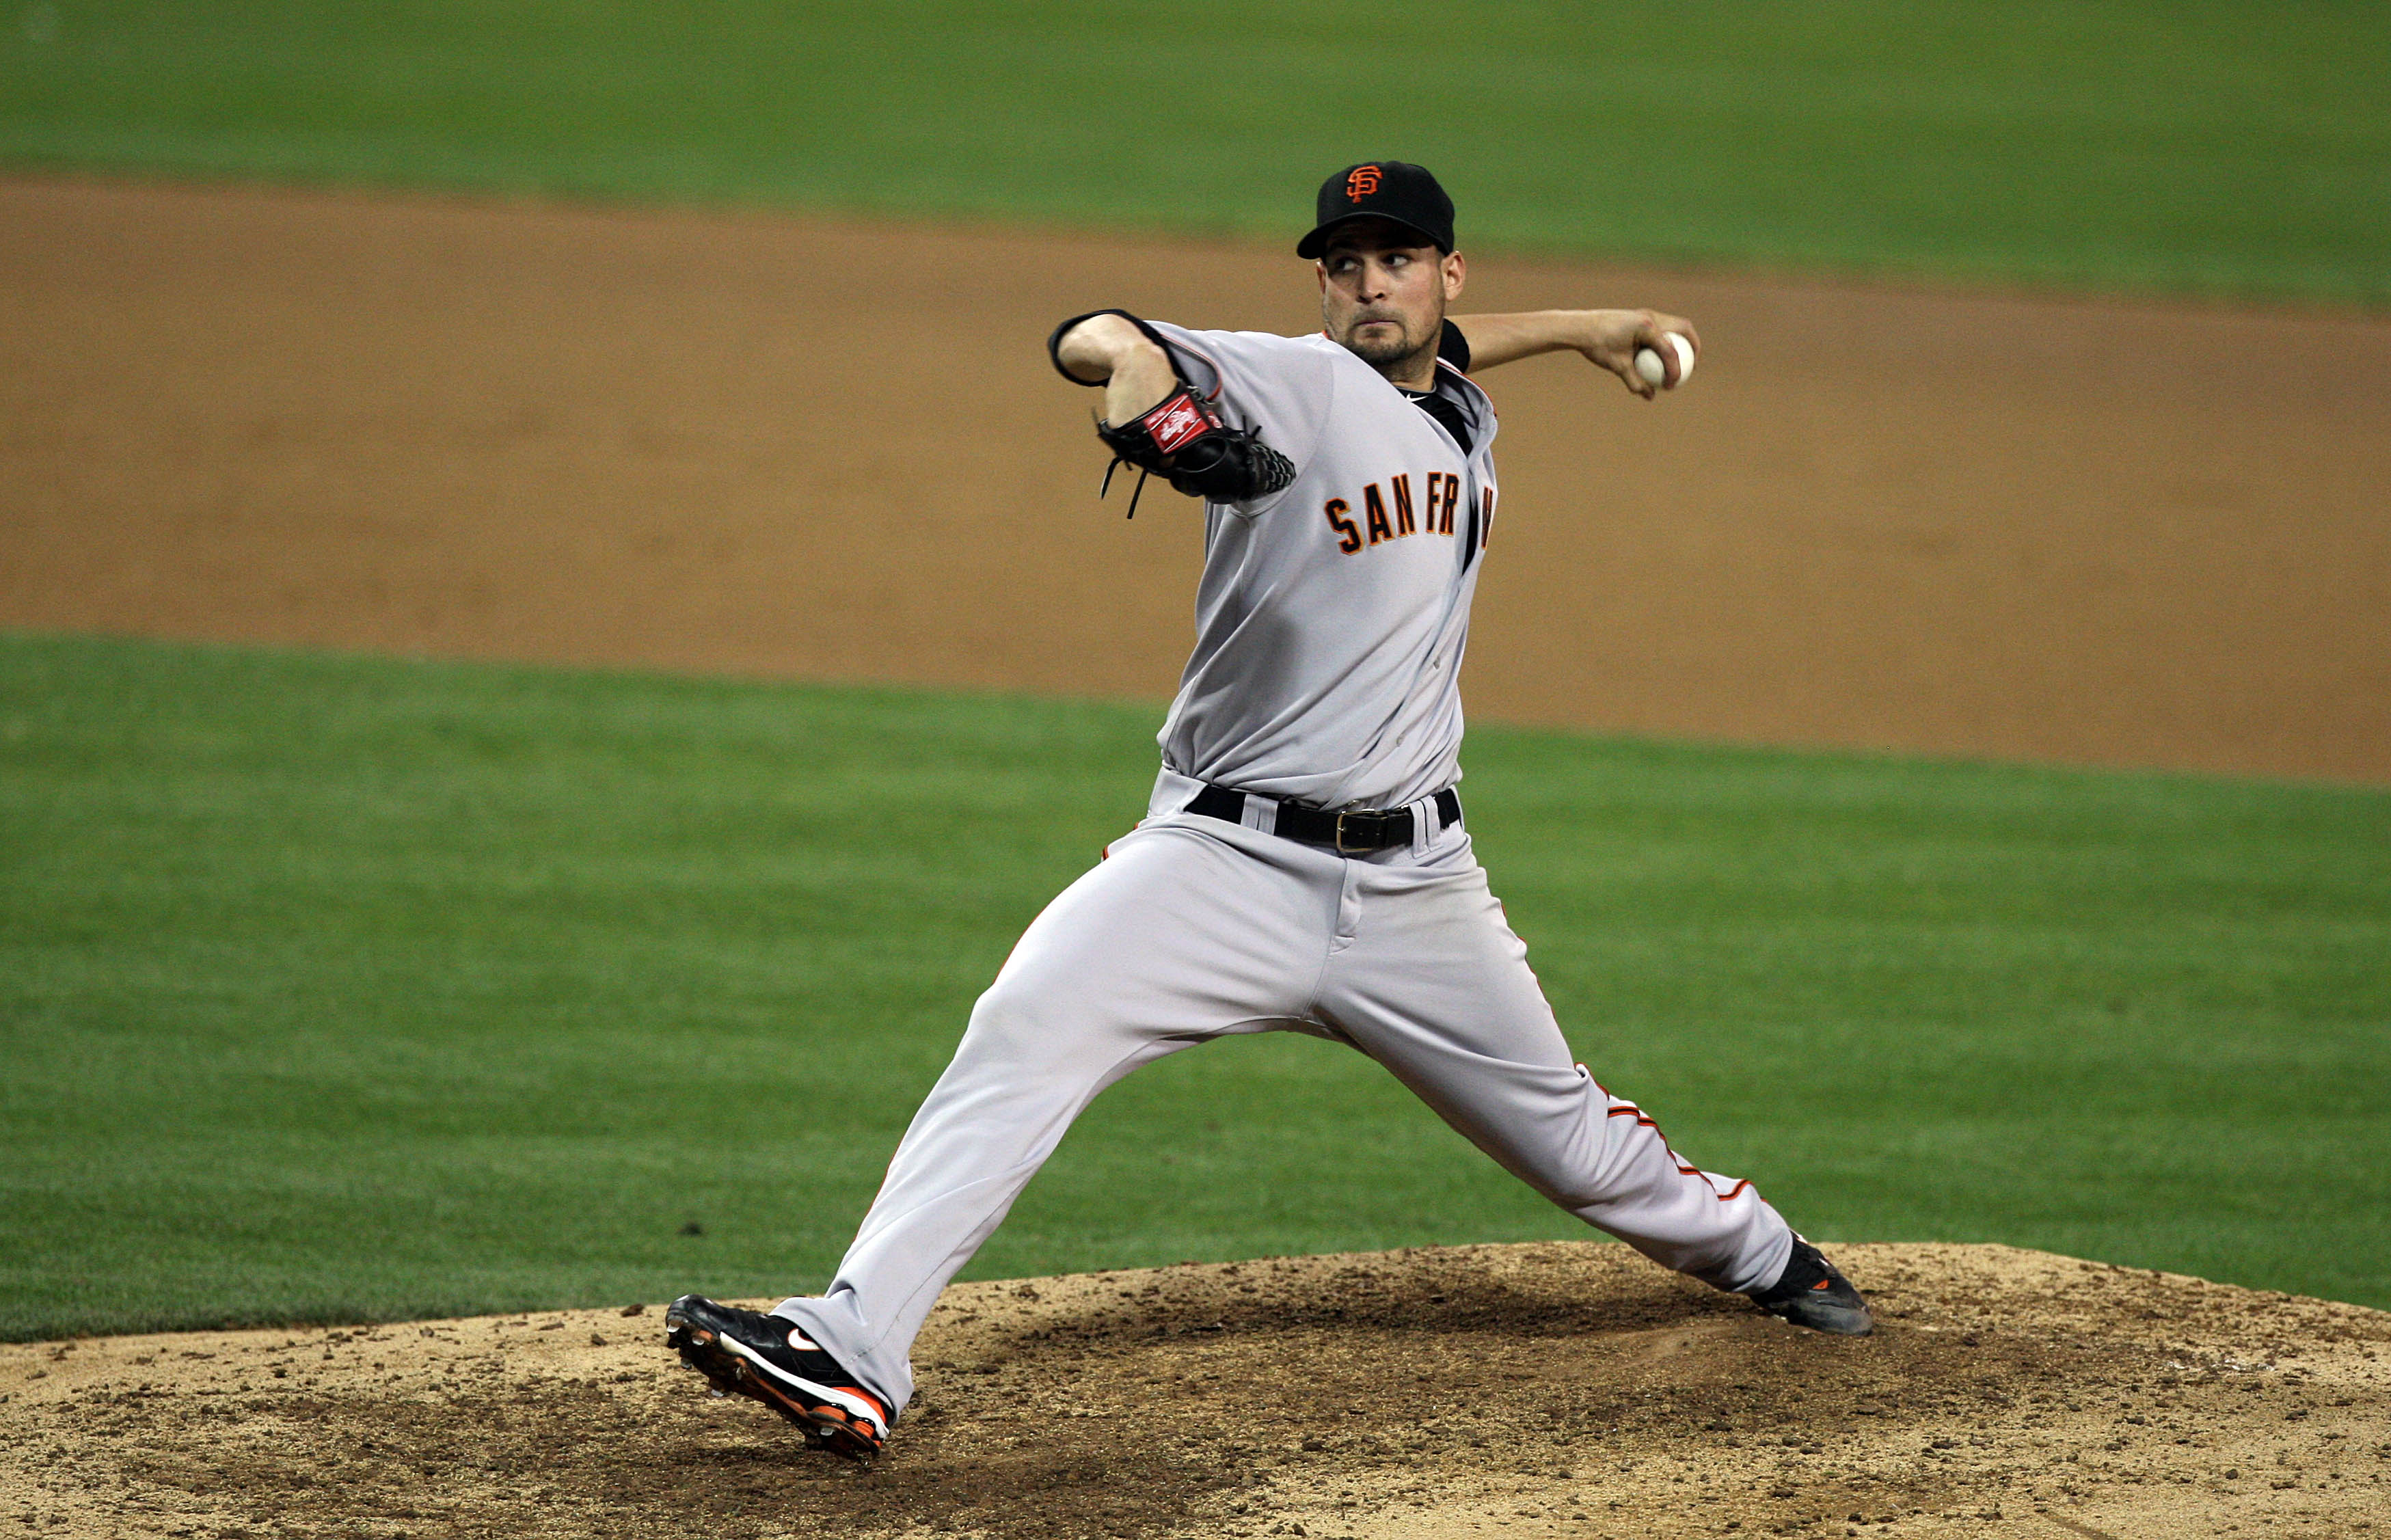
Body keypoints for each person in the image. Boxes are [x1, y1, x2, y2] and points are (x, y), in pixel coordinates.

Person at [664, 161, 1869, 1461]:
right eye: (1343, 263)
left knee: (1575, 1142)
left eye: (1395, 258)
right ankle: (853, 1347)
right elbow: (1098, 337)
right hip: (1219, 860)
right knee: (1026, 1022)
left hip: (1419, 889)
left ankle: (1768, 1255)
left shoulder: (1452, 400)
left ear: (1446, 273)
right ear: (1319, 283)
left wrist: (1586, 327)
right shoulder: (1293, 376)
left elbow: (1442, 361)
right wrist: (1150, 400)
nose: (1369, 284)